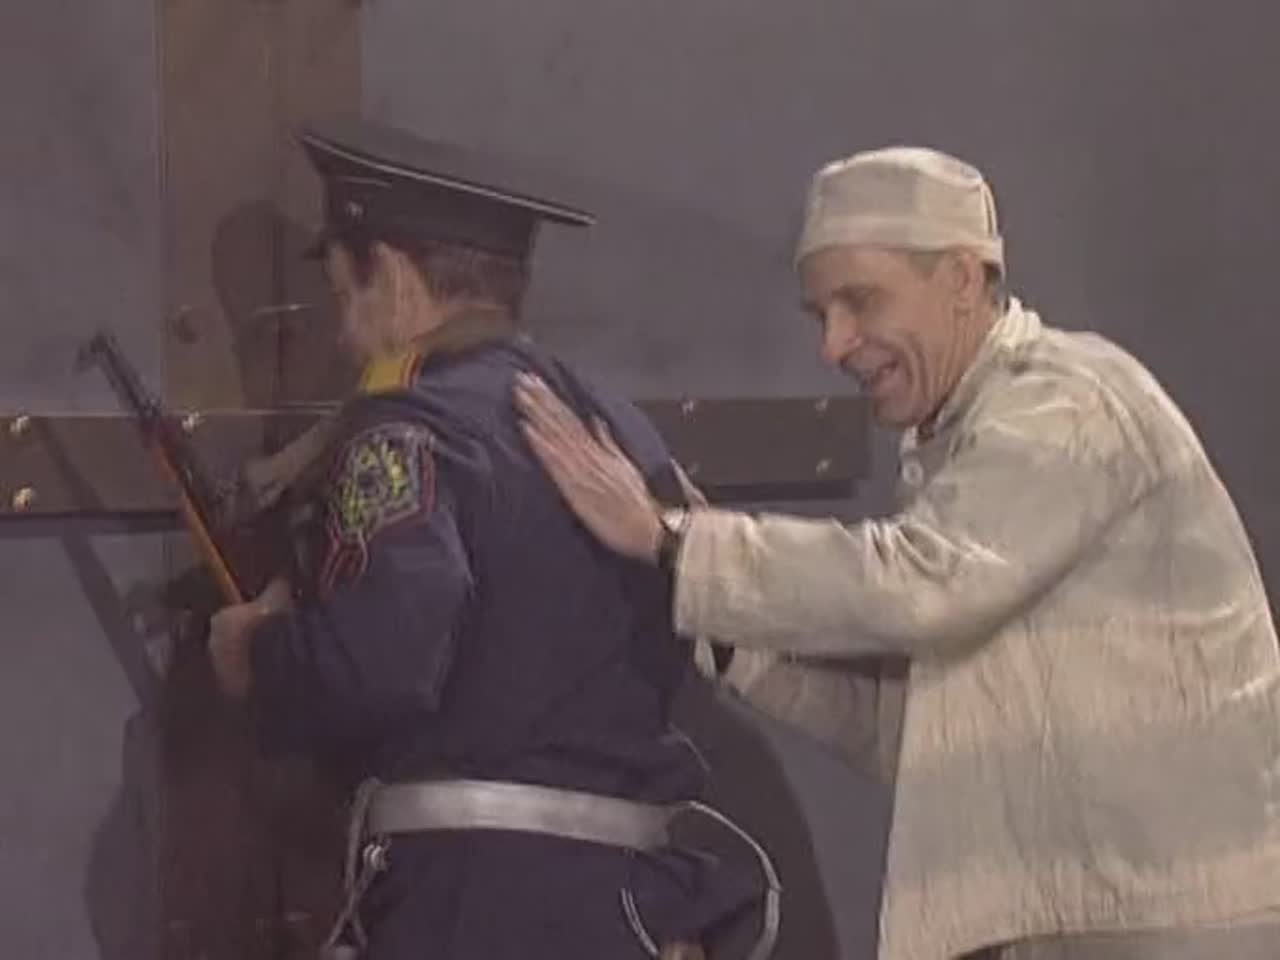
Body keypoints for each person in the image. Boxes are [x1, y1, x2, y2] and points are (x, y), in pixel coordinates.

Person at [513, 146, 1280, 959]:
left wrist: (677, 543)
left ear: (961, 278)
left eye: (860, 301)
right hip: (1069, 920)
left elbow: (924, 583)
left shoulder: (1068, 402)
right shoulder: (966, 444)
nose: (834, 344)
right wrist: (726, 631)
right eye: (821, 314)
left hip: (1156, 927)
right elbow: (908, 733)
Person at [207, 116, 775, 960]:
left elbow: (380, 662)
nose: (344, 335)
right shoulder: (621, 429)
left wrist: (259, 653)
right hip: (638, 908)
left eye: (343, 295)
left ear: (395, 280)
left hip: (478, 907)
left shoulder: (403, 433)